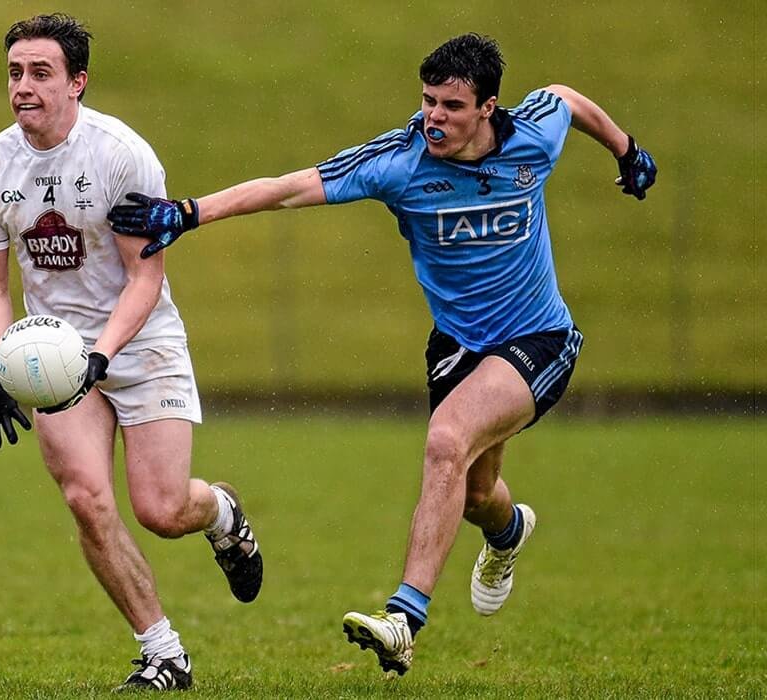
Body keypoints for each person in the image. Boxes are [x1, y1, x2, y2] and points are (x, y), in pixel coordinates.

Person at [108, 33, 656, 675]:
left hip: (540, 340)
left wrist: (627, 150)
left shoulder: (534, 136)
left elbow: (565, 98)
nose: (435, 119)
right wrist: (188, 212)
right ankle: (507, 533)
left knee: (446, 439)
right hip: (458, 347)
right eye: (428, 102)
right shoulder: (398, 162)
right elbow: (287, 188)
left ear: (489, 107)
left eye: (452, 106)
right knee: (477, 494)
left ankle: (404, 618)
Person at [0, 14, 263, 691]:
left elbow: (144, 278)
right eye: (14, 72)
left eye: (40, 73)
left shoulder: (120, 156)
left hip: (141, 336)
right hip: (53, 354)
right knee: (86, 497)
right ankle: (164, 653)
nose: (23, 87)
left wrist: (103, 355)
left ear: (78, 82)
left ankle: (220, 513)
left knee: (161, 509)